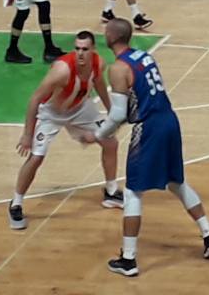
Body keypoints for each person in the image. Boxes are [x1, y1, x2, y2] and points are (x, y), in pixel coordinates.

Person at [80, 18, 209, 277]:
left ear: (112, 36)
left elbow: (118, 114)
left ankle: (129, 259)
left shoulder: (118, 68)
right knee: (176, 182)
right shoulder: (144, 56)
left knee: (133, 191)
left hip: (149, 128)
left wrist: (98, 135)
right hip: (169, 121)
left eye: (106, 30)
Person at [8, 31, 123, 230]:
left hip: (80, 108)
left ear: (93, 50)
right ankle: (16, 203)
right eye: (77, 48)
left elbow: (99, 84)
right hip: (51, 113)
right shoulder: (62, 71)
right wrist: (27, 134)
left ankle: (111, 192)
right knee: (36, 157)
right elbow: (35, 99)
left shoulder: (99, 64)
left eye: (85, 49)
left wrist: (112, 112)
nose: (80, 53)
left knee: (111, 142)